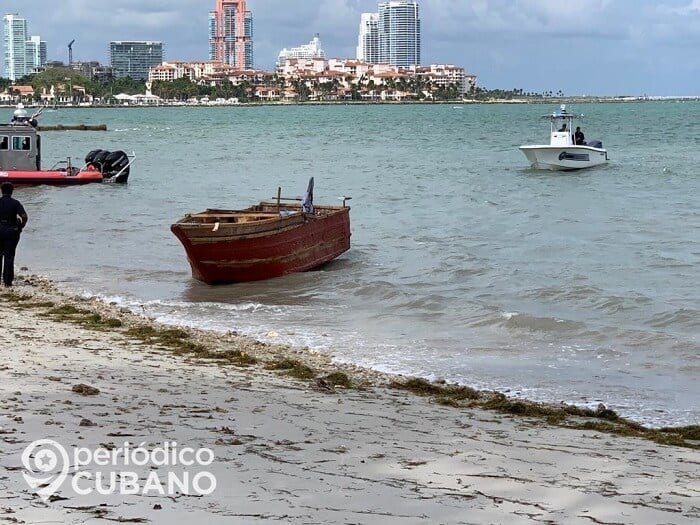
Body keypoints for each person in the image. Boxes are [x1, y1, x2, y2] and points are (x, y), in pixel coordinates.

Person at [0, 182, 28, 287]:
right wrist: (21, 226)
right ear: (12, 191)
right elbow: (24, 216)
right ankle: (8, 282)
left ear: (1, 191)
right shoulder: (15, 203)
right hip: (11, 232)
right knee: (9, 256)